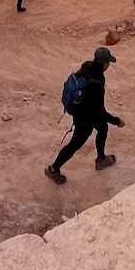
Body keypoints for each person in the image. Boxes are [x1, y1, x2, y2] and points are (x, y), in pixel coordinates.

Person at [45, 46, 125, 184]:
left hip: (81, 111)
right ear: (104, 63)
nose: (109, 65)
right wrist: (116, 121)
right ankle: (54, 168)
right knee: (75, 144)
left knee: (102, 128)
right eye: (108, 63)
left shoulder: (87, 66)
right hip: (85, 117)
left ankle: (101, 159)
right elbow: (99, 109)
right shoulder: (97, 82)